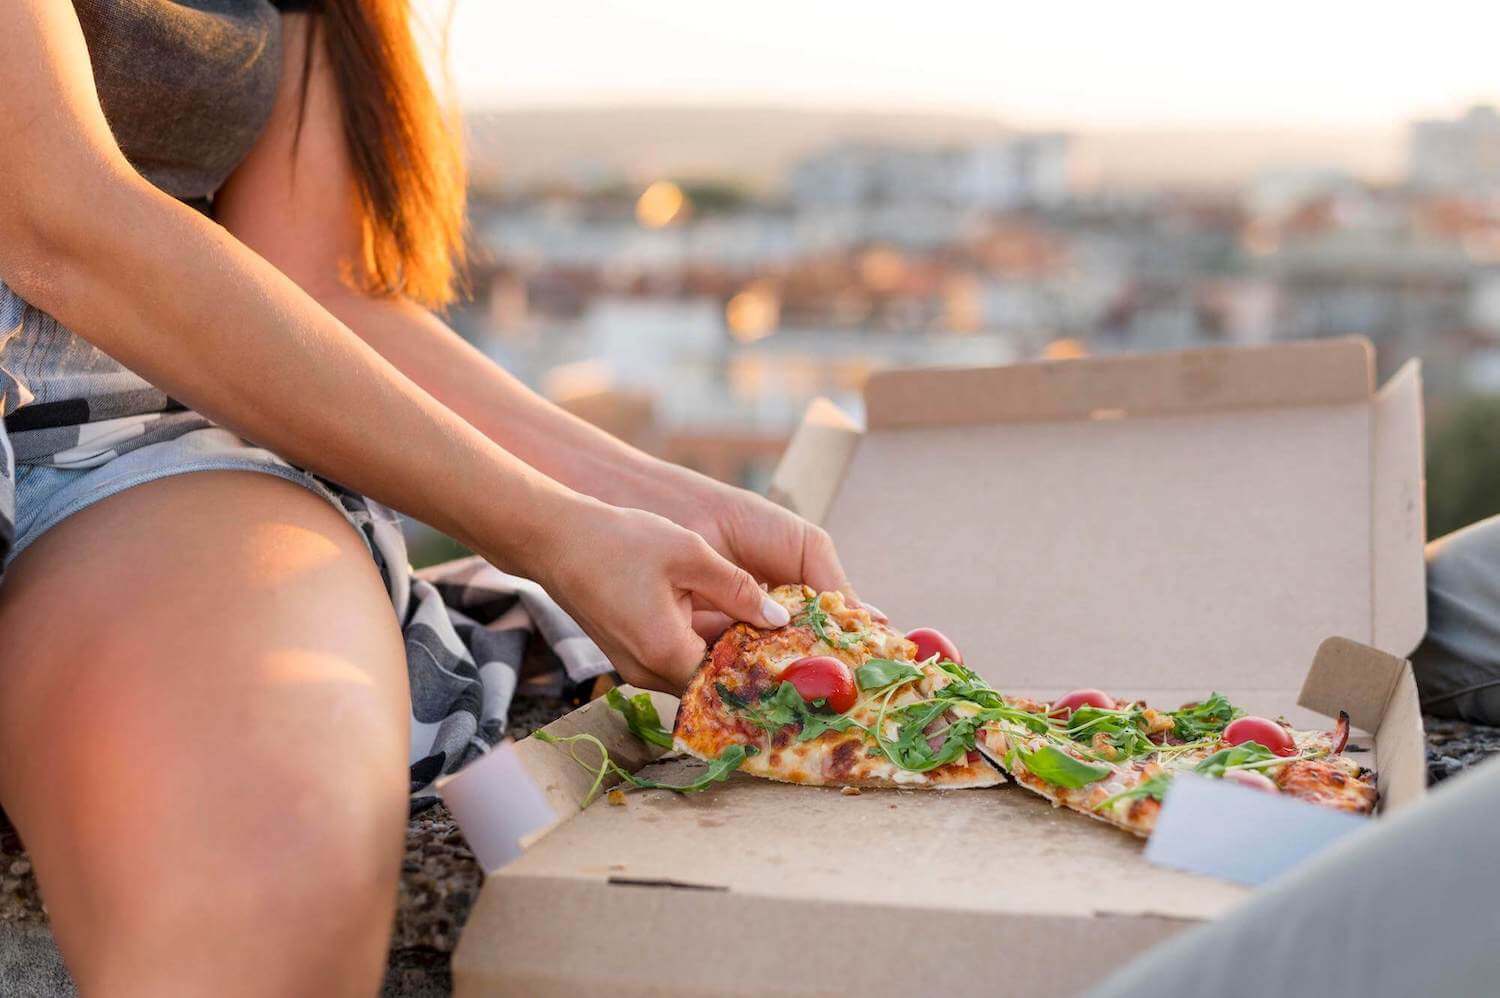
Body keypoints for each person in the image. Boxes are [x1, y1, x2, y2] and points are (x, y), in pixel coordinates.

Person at [0, 2, 860, 993]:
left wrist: (642, 498)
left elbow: (311, 284)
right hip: (86, 285)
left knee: (268, 867)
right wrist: (548, 528)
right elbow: (54, 216)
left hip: (137, 416)